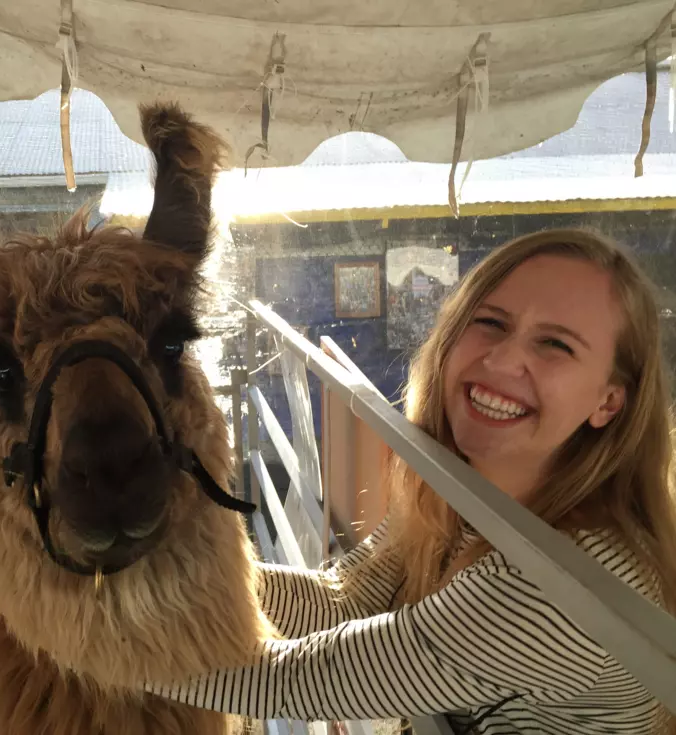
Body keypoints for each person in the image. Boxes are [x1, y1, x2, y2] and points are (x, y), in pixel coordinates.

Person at [145, 229, 676, 734]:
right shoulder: (463, 488)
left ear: (608, 402)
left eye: (556, 345)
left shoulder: (558, 588)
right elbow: (343, 602)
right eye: (490, 322)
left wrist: (83, 626)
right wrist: (156, 576)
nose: (502, 359)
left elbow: (297, 680)